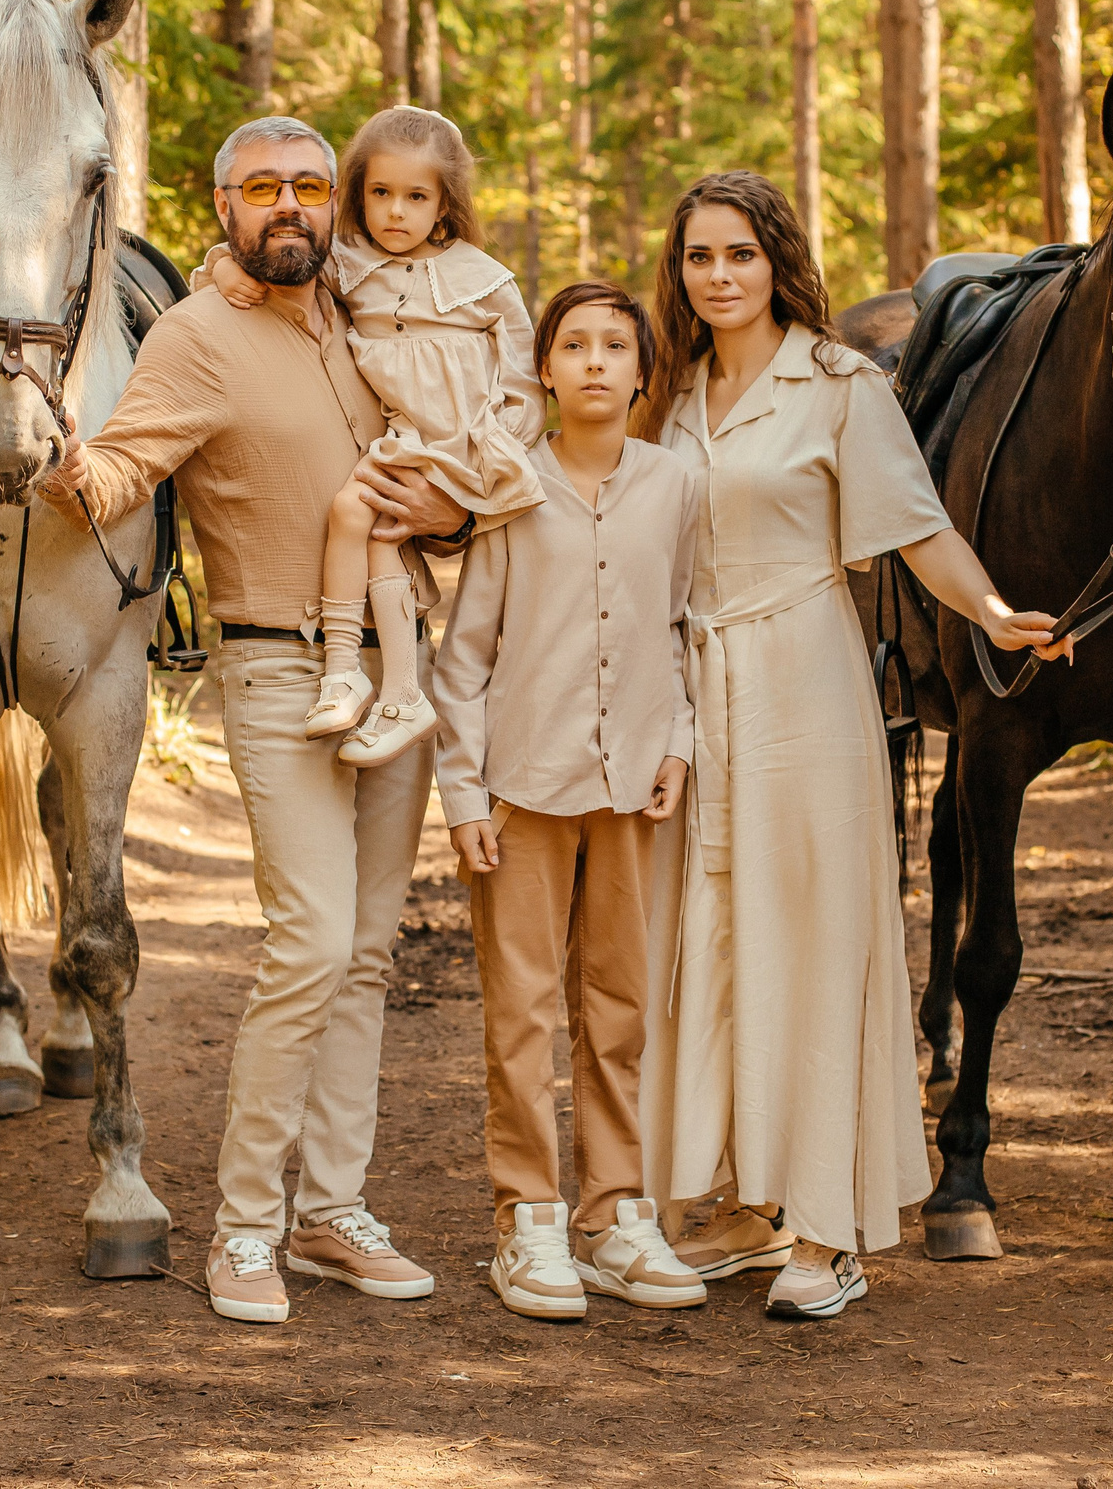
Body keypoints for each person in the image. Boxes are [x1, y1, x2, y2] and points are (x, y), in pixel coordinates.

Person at [42, 116, 479, 1325]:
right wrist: (68, 463)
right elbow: (122, 471)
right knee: (312, 943)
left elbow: (447, 476)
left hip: (398, 666)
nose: (287, 205)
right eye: (261, 188)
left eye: (306, 185)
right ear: (221, 201)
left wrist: (445, 511)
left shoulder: (366, 313)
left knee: (372, 953)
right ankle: (246, 1225)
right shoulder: (194, 336)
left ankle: (331, 1209)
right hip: (280, 672)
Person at [633, 172, 1072, 1321]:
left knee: (815, 939)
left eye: (739, 254)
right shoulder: (668, 397)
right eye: (697, 258)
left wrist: (988, 611)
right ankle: (736, 1201)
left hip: (805, 681)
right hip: (695, 688)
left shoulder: (836, 386)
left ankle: (825, 1229)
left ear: (778, 261)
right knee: (714, 941)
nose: (718, 276)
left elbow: (916, 525)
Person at [433, 280, 711, 1320]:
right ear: (544, 369)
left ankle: (614, 1213)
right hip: (520, 788)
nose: (595, 361)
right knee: (521, 1009)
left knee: (621, 1008)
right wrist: (462, 790)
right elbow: (461, 660)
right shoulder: (512, 489)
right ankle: (527, 1216)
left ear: (644, 370)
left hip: (632, 785)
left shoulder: (676, 484)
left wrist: (677, 740)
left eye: (615, 345)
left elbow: (679, 623)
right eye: (574, 345)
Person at [198, 106, 543, 768]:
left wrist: (494, 454)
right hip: (406, 442)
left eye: (416, 198)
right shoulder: (349, 265)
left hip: (465, 445)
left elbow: (525, 380)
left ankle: (371, 683)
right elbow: (272, 258)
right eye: (380, 194)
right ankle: (366, 681)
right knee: (357, 519)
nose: (395, 212)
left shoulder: (485, 279)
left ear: (443, 208)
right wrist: (223, 270)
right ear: (357, 194)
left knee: (367, 519)